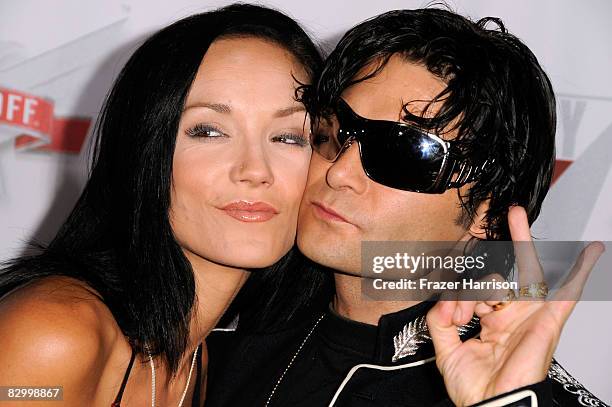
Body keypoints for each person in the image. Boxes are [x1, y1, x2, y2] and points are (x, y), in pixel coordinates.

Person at [204, 8, 608, 407]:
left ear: (489, 210)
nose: (338, 172)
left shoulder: (518, 388)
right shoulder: (215, 334)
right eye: (334, 130)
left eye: (403, 152)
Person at [0, 4, 323, 406]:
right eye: (209, 131)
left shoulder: (206, 362)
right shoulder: (54, 334)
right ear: (145, 152)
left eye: (289, 137)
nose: (255, 170)